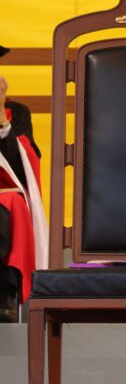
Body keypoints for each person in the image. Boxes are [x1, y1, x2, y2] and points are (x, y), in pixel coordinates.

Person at [0, 45, 46, 321]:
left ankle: (4, 294)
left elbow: (22, 169)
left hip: (2, 194)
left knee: (12, 204)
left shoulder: (16, 113)